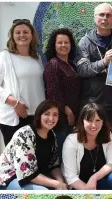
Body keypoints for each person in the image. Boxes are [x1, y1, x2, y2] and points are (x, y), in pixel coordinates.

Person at [0, 99, 68, 190]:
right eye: (47, 114)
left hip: (32, 177)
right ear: (39, 116)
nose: (51, 118)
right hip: (8, 179)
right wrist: (56, 184)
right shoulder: (25, 134)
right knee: (43, 192)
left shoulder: (52, 135)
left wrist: (61, 182)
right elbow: (27, 174)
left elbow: (53, 165)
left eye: (55, 115)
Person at [0, 19, 45, 146]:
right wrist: (15, 103)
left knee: (33, 157)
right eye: (18, 32)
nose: (22, 35)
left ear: (32, 35)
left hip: (36, 116)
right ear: (12, 36)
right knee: (16, 158)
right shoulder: (3, 57)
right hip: (14, 117)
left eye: (26, 32)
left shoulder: (37, 58)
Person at [76, 3, 112, 142]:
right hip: (93, 102)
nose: (105, 18)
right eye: (101, 15)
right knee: (93, 142)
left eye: (108, 15)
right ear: (95, 18)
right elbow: (82, 70)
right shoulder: (84, 42)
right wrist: (104, 62)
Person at [62, 102, 112, 190]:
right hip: (79, 185)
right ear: (82, 121)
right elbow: (71, 177)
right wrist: (90, 192)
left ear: (103, 122)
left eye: (98, 120)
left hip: (99, 182)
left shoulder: (107, 135)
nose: (94, 125)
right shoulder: (71, 141)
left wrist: (94, 178)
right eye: (89, 120)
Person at [44, 28, 81, 159]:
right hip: (61, 117)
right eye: (60, 43)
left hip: (73, 116)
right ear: (54, 45)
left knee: (71, 151)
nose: (63, 45)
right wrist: (67, 111)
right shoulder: (53, 65)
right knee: (62, 151)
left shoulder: (71, 64)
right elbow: (53, 93)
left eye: (66, 42)